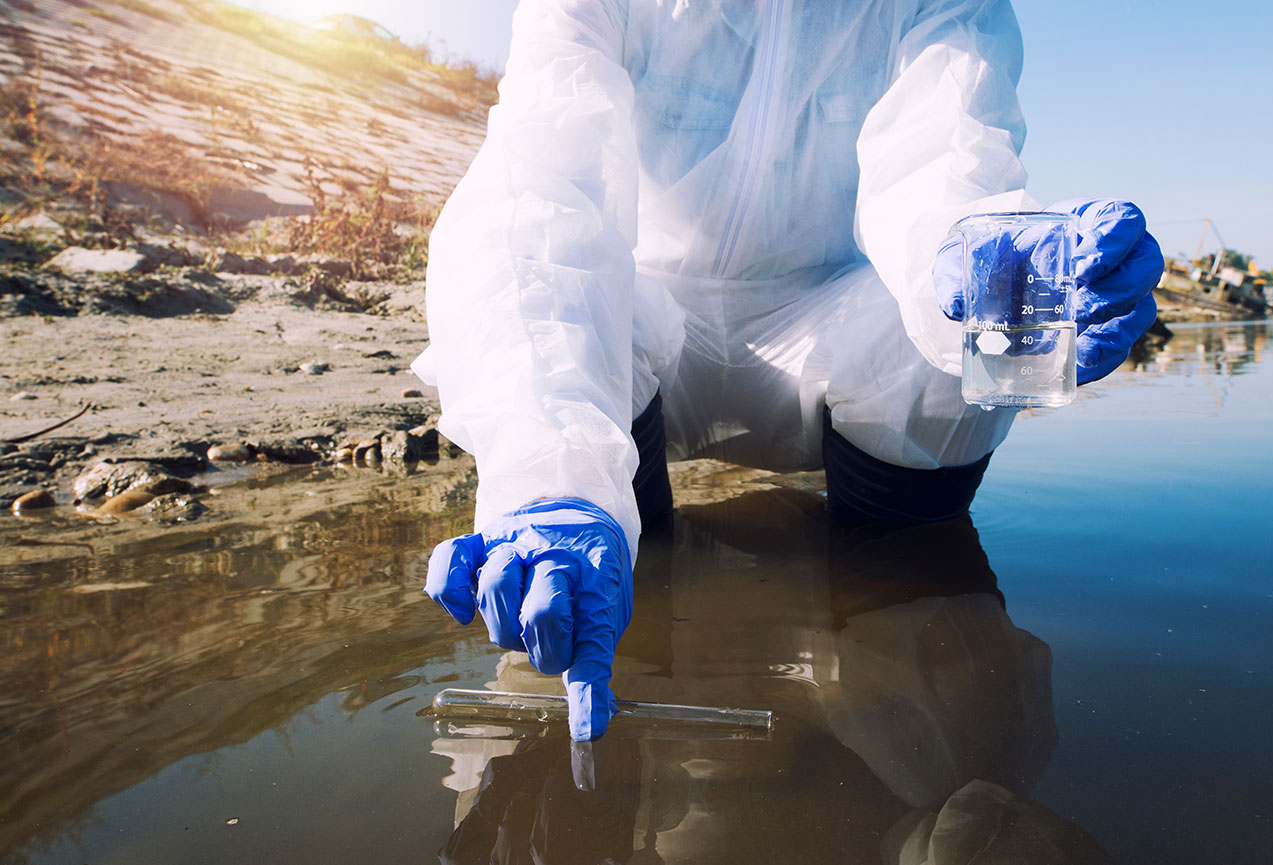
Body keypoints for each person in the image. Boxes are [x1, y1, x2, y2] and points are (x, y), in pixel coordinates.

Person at [414, 0, 1163, 741]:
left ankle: (903, 638)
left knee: (963, 343)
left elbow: (944, 160)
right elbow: (545, 181)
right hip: (646, 318)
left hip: (832, 318)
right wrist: (548, 472)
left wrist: (994, 265)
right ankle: (589, 522)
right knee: (544, 298)